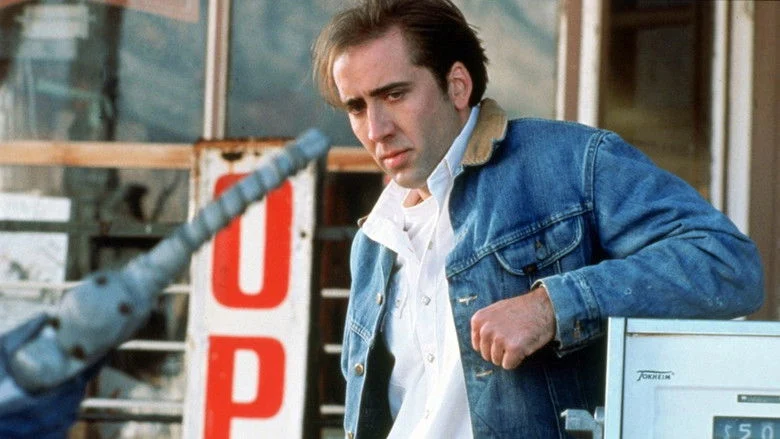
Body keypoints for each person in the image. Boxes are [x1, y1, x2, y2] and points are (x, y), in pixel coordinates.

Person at [311, 0, 765, 437]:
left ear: (458, 86)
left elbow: (728, 264)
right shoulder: (374, 241)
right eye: (357, 107)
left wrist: (552, 306)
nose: (376, 129)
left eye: (394, 94)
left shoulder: (569, 163)